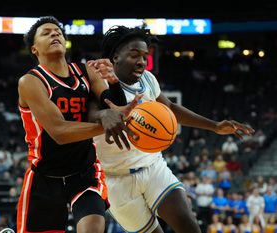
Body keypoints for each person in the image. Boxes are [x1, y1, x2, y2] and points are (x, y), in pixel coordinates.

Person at [93, 25, 255, 233]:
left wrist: (214, 126)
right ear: (115, 57)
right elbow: (90, 115)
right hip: (115, 178)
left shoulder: (148, 80)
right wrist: (102, 115)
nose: (141, 61)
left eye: (144, 56)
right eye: (134, 55)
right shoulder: (98, 83)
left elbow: (169, 108)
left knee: (189, 226)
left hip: (152, 167)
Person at [16, 16, 139, 233]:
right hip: (44, 177)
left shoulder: (86, 71)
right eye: (46, 32)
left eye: (58, 32)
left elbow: (114, 106)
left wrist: (112, 81)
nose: (55, 34)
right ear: (34, 49)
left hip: (84, 171)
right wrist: (106, 124)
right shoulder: (31, 82)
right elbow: (60, 132)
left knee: (93, 228)